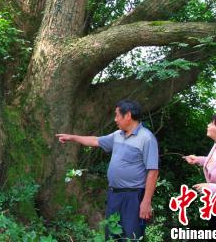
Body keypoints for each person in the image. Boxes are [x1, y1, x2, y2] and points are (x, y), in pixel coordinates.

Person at [56, 99, 159, 241]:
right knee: (111, 235)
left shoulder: (146, 138)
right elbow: (95, 141)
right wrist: (72, 137)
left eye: (117, 115)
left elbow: (153, 171)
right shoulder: (118, 135)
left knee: (131, 236)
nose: (115, 119)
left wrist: (146, 201)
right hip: (113, 195)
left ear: (127, 115)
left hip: (134, 197)